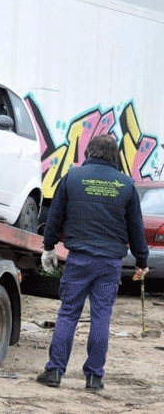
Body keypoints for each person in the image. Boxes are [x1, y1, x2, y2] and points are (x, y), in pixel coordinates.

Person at [37, 134, 148, 391]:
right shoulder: (127, 184)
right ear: (115, 155)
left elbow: (55, 216)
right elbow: (136, 228)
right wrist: (142, 261)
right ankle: (94, 377)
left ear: (89, 152)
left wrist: (49, 246)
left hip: (79, 259)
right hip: (109, 263)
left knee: (68, 314)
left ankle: (54, 372)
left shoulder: (73, 178)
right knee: (101, 317)